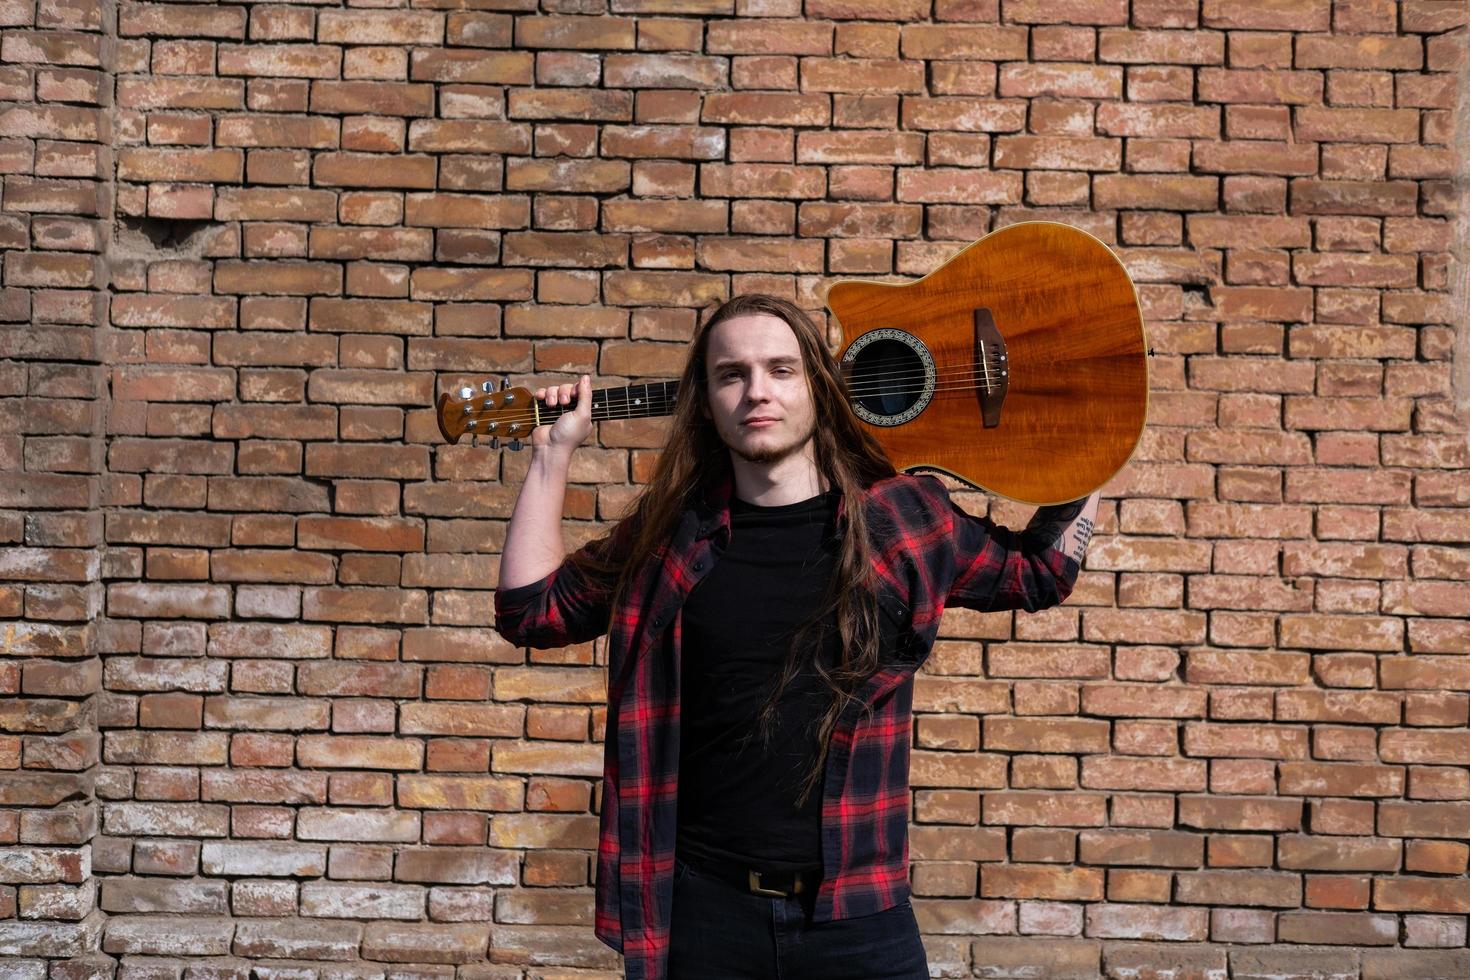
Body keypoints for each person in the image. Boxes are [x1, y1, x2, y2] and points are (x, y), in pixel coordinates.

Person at [494, 294, 1099, 980]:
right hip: (702, 915)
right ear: (706, 400)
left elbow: (1040, 571)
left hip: (859, 918)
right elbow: (531, 613)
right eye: (732, 374)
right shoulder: (668, 537)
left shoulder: (902, 517)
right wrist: (551, 457)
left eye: (781, 370)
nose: (758, 391)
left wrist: (1094, 431)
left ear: (821, 384)